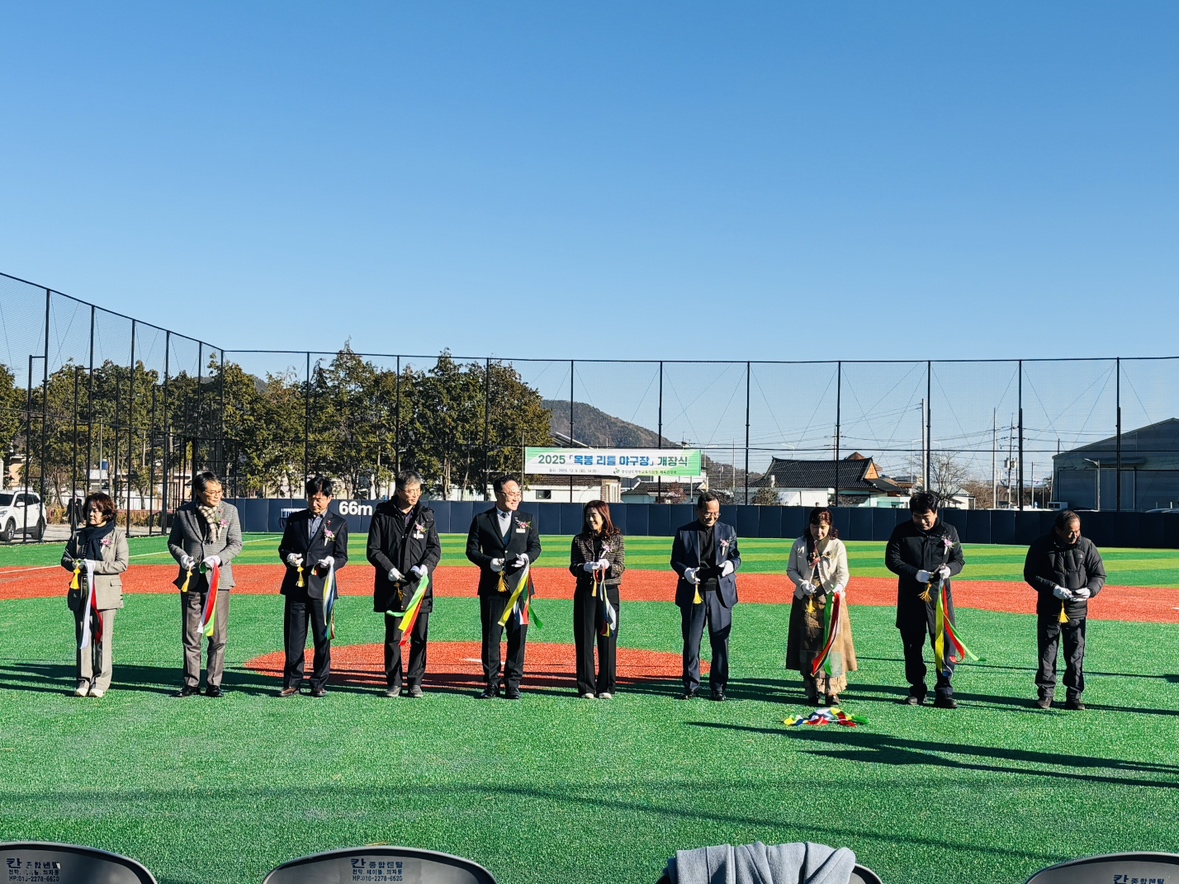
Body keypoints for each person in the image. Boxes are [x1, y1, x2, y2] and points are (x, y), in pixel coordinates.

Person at [885, 491, 965, 709]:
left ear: (935, 512)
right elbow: (892, 560)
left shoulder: (949, 531)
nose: (922, 521)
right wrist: (914, 573)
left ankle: (944, 691)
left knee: (945, 646)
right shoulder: (901, 532)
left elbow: (959, 560)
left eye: (926, 516)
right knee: (912, 647)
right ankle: (917, 689)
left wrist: (950, 569)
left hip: (940, 599)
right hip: (911, 598)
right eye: (916, 516)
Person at [465, 474, 542, 700]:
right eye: (511, 494)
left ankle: (513, 683)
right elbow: (471, 550)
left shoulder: (527, 518)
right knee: (491, 636)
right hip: (492, 587)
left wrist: (527, 558)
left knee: (518, 635)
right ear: (499, 495)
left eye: (518, 494)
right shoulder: (482, 519)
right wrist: (488, 561)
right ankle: (491, 683)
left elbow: (536, 546)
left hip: (520, 587)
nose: (516, 498)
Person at [168, 470, 243, 698]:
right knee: (191, 635)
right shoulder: (184, 513)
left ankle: (214, 682)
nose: (217, 496)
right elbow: (173, 543)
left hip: (219, 582)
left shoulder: (230, 511)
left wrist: (219, 558)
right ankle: (191, 682)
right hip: (191, 580)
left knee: (218, 636)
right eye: (212, 492)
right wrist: (182, 557)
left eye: (219, 491)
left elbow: (236, 543)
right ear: (199, 493)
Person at [367, 470, 441, 698]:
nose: (415, 495)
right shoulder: (382, 514)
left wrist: (425, 567)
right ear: (399, 491)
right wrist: (389, 569)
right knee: (393, 637)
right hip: (393, 587)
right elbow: (373, 549)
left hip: (420, 588)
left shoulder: (426, 515)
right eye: (410, 490)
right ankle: (394, 682)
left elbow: (434, 548)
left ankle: (416, 682)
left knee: (420, 636)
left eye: (418, 490)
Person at [1023, 510, 1105, 710]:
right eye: (1070, 531)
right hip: (1050, 609)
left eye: (1077, 531)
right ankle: (1045, 694)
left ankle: (1074, 696)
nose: (1075, 535)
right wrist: (1053, 589)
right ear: (1058, 529)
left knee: (1075, 654)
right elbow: (1030, 574)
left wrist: (1090, 590)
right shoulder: (1041, 545)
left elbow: (1099, 575)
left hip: (1077, 611)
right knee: (1047, 653)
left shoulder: (1087, 546)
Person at [277, 476, 350, 698]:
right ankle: (292, 681)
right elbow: (283, 548)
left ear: (330, 498)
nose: (314, 502)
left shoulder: (338, 524)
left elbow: (342, 556)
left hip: (323, 588)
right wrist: (288, 556)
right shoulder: (295, 520)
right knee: (294, 637)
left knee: (322, 637)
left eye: (319, 498)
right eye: (311, 497)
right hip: (296, 586)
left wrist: (332, 564)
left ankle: (318, 682)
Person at [671, 491, 741, 701]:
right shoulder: (684, 532)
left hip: (720, 594)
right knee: (691, 643)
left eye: (716, 513)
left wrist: (731, 564)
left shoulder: (728, 531)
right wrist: (686, 572)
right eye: (707, 513)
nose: (712, 517)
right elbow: (675, 560)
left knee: (720, 643)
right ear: (698, 511)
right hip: (694, 593)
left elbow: (735, 556)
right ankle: (691, 685)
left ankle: (718, 686)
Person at [786, 507, 857, 706]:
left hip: (831, 601)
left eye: (823, 527)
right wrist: (802, 583)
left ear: (829, 526)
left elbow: (843, 574)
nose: (819, 532)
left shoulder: (836, 545)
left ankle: (832, 691)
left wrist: (837, 589)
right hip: (805, 600)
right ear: (809, 525)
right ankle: (812, 689)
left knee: (832, 644)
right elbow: (791, 569)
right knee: (808, 644)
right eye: (815, 527)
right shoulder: (799, 544)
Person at [60, 492, 128, 698]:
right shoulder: (78, 535)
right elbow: (65, 558)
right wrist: (75, 564)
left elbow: (122, 564)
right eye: (89, 510)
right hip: (81, 593)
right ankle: (83, 679)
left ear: (106, 513)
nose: (92, 514)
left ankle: (101, 681)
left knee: (102, 638)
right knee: (83, 637)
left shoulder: (116, 535)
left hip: (106, 594)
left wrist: (95, 566)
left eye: (96, 510)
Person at [569, 500, 627, 699]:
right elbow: (573, 566)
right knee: (584, 639)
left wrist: (608, 567)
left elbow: (621, 566)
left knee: (607, 639)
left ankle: (606, 687)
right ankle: (586, 687)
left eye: (594, 515)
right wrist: (583, 568)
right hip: (585, 592)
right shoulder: (578, 540)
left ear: (604, 516)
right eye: (588, 515)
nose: (591, 519)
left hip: (609, 592)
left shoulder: (616, 539)